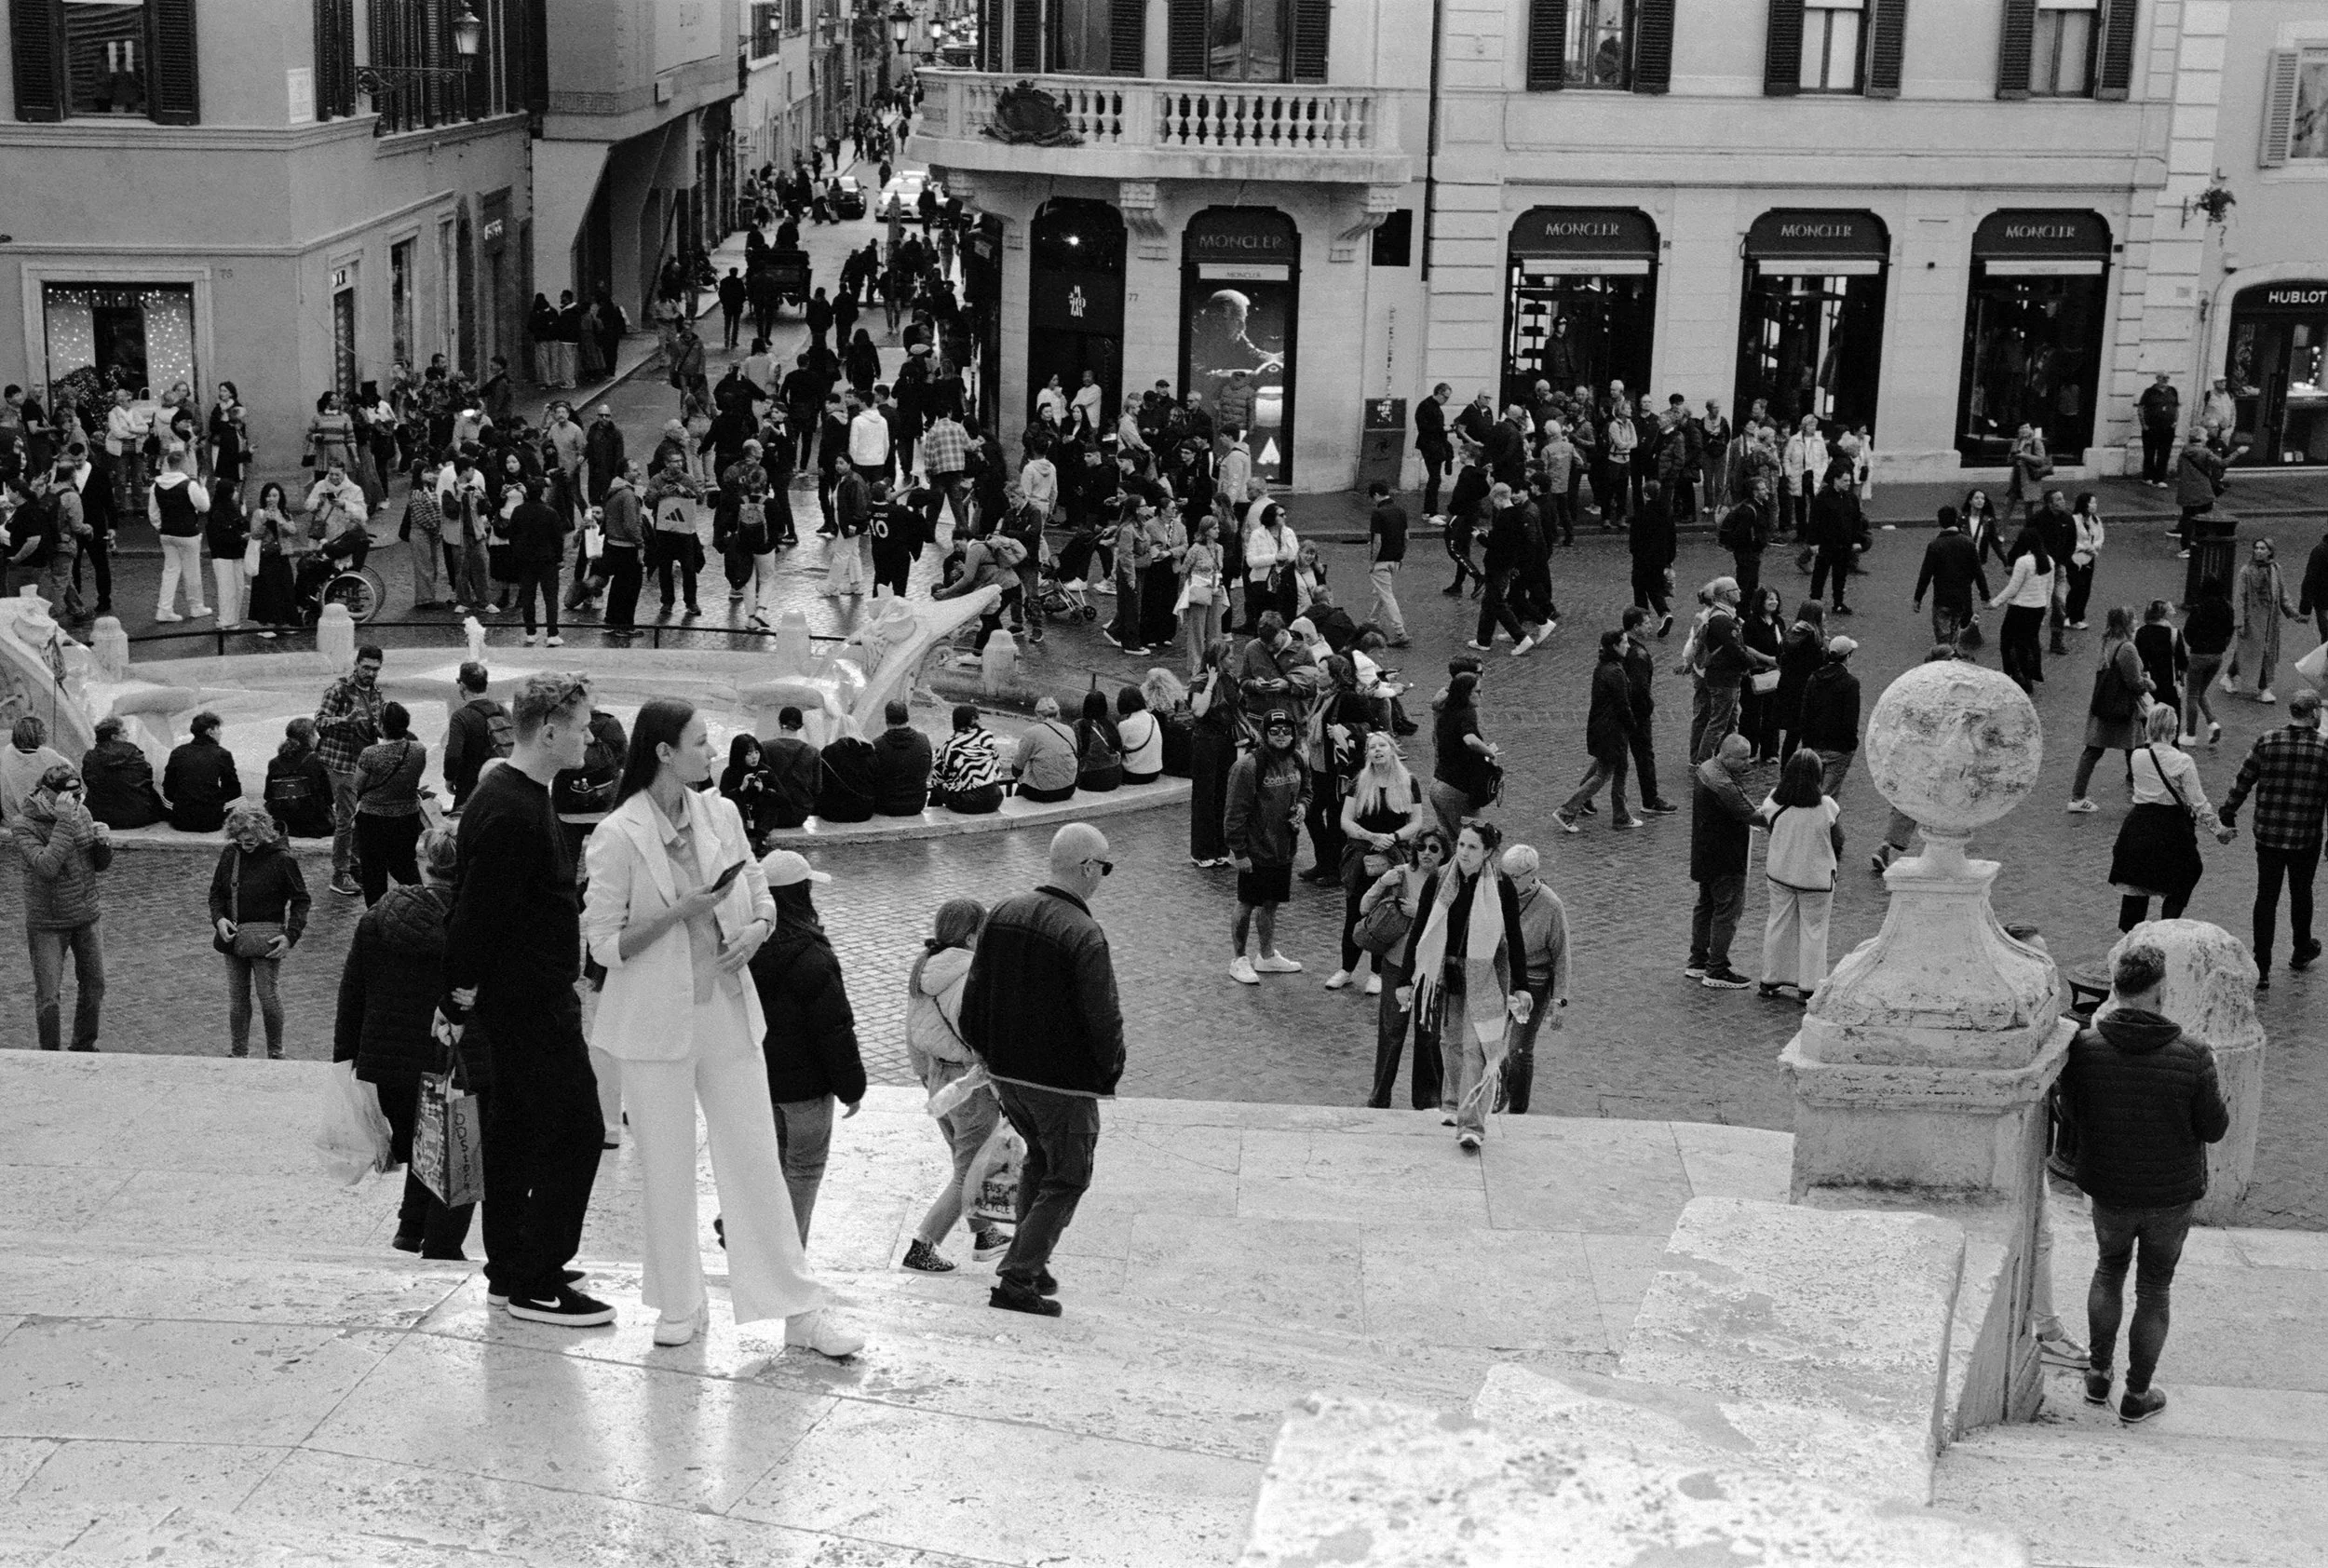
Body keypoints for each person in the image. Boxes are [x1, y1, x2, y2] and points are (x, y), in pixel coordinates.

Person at [581, 700, 859, 1356]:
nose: (713, 753)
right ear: (664, 752)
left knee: (757, 1161)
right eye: (701, 743)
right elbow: (601, 946)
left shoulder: (722, 812)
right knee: (668, 1168)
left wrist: (757, 933)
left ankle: (797, 1309)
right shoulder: (617, 835)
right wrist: (681, 912)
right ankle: (679, 1302)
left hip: (728, 1010)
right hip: (653, 1024)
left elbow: (760, 894)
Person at [447, 673, 615, 1328]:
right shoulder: (515, 810)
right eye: (581, 724)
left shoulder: (512, 794)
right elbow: (474, 918)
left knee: (517, 1132)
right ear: (549, 731)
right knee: (578, 1132)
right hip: (528, 1003)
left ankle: (511, 1267)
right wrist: (456, 996)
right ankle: (538, 1279)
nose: (590, 734)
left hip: (521, 998)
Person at [2057, 940, 2230, 1425]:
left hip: (2109, 1185)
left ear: (2115, 986)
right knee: (2154, 1288)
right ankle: (2136, 1394)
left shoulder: (2085, 1048)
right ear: (2160, 991)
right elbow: (2214, 1129)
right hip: (2169, 1194)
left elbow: (2072, 1111)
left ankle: (2097, 1375)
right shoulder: (2193, 1055)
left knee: (2108, 1270)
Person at [958, 823, 1128, 1318]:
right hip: (1062, 1082)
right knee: (1069, 1175)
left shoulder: (1004, 912)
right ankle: (1018, 1278)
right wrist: (1108, 1070)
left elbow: (975, 996)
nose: (1103, 877)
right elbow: (1103, 1015)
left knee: (1039, 1161)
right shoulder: (1083, 932)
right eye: (1105, 867)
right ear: (1088, 868)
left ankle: (1031, 1254)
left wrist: (986, 1053)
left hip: (1008, 1075)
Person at [334, 826, 477, 1251]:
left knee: (418, 1140)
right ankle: (436, 1241)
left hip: (388, 1060)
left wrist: (346, 1056)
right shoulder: (475, 921)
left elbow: (353, 989)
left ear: (422, 864)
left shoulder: (380, 916)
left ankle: (409, 1227)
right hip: (452, 1056)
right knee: (451, 1145)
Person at [751, 848, 869, 1246]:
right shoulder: (813, 955)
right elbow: (835, 1029)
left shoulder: (746, 948)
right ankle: (789, 1254)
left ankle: (765, 1242)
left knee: (776, 1165)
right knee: (804, 1170)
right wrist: (852, 1088)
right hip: (807, 1091)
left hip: (763, 1084)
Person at [901, 899, 1012, 1272]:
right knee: (970, 1172)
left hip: (937, 1080)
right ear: (970, 936)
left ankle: (984, 1234)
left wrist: (927, 1081)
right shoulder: (969, 978)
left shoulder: (924, 973)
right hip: (969, 1087)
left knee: (965, 1161)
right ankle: (922, 1246)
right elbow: (982, 1038)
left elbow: (913, 1035)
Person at [1407, 818, 1527, 1152]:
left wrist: (1522, 986)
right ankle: (1452, 1103)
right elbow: (1421, 929)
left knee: (1477, 1048)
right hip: (1448, 975)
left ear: (1488, 852)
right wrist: (1406, 978)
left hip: (1485, 977)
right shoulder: (1439, 879)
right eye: (1460, 844)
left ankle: (1471, 1125)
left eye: (1472, 847)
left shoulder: (1501, 888)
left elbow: (1514, 939)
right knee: (1451, 1043)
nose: (1463, 852)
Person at [2217, 687, 2328, 990]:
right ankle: (2301, 948)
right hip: (2306, 835)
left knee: (2266, 897)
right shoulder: (2323, 749)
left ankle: (2262, 966)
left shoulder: (2267, 741)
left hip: (2268, 834)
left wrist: (2228, 811)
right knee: (2301, 893)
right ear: (2315, 713)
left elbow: (2244, 779)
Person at [14, 762, 109, 1051]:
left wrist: (103, 844)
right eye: (69, 797)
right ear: (46, 793)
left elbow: (99, 865)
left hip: (86, 914)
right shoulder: (24, 825)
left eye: (79, 795)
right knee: (48, 996)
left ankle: (83, 1045)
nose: (77, 802)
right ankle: (50, 1057)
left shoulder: (81, 811)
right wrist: (65, 821)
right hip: (48, 922)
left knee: (95, 985)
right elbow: (46, 866)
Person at [2108, 705, 2226, 930]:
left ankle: (2131, 934)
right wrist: (2218, 829)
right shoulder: (2183, 762)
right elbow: (2198, 803)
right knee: (2188, 872)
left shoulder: (2137, 756)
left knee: (2136, 882)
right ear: (2173, 730)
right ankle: (2167, 925)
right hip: (2172, 828)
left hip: (2138, 824)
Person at [1331, 730, 1426, 994]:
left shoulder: (1409, 782)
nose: (1378, 750)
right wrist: (1371, 836)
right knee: (1355, 912)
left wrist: (1392, 837)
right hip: (1362, 857)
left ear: (1392, 749)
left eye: (1382, 745)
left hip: (1394, 857)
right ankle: (1346, 969)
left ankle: (1376, 973)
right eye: (1372, 747)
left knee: (1386, 913)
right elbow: (1346, 821)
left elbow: (1416, 823)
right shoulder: (1359, 782)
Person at [1360, 827, 1447, 1110]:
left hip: (1432, 969)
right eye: (1421, 847)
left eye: (1434, 848)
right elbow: (1364, 907)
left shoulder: (1450, 880)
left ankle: (1427, 1100)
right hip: (1397, 966)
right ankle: (1380, 1095)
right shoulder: (1400, 874)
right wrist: (1382, 883)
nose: (1426, 853)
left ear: (1444, 852)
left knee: (1429, 1036)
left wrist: (1420, 911)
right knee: (1391, 1032)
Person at [1225, 709, 1310, 984]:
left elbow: (1307, 790)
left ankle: (1266, 954)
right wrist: (1239, 852)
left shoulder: (1297, 760)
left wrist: (1302, 807)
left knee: (1271, 903)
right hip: (1255, 849)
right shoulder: (1249, 766)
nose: (1282, 736)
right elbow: (1234, 812)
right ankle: (1239, 958)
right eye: (1275, 731)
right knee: (1247, 903)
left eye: (1287, 730)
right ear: (1265, 734)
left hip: (1284, 847)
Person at [1756, 750, 1844, 1002]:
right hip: (1815, 878)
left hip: (1780, 872)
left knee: (1778, 922)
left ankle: (1770, 979)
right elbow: (1838, 839)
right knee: (1814, 930)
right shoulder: (1826, 806)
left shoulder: (1774, 799)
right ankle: (1809, 986)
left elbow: (1769, 824)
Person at [1496, 844, 1569, 1115]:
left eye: (1514, 877)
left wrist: (1558, 999)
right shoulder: (1497, 892)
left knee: (1519, 1050)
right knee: (1487, 1041)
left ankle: (1517, 1110)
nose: (1508, 882)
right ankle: (1491, 1098)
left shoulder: (1550, 904)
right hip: (1502, 976)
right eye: (1504, 875)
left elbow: (1562, 953)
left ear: (1532, 873)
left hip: (1535, 981)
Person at [1689, 734, 1761, 991]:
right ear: (1726, 756)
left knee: (1706, 905)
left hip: (1704, 852)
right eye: (1742, 759)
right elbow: (1751, 814)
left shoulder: (1706, 769)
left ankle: (1698, 959)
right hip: (1726, 857)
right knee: (1727, 911)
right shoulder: (1724, 785)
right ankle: (1717, 969)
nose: (1747, 764)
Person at [2066, 608, 2154, 813]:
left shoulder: (2107, 642)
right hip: (2122, 708)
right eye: (2133, 619)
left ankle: (2078, 796)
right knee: (2136, 748)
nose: (2136, 622)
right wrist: (2149, 684)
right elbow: (2134, 682)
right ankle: (2143, 793)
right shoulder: (2127, 648)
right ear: (2125, 623)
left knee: (2094, 750)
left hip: (2104, 704)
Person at [316, 645, 386, 897]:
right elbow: (320, 722)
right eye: (366, 667)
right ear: (356, 664)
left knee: (361, 816)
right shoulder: (338, 690)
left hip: (364, 763)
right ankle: (339, 873)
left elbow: (377, 725)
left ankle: (353, 862)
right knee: (345, 819)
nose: (370, 673)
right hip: (341, 762)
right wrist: (344, 721)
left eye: (375, 669)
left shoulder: (377, 693)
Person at [1554, 633, 1641, 832]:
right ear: (1615, 647)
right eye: (1624, 643)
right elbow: (1622, 705)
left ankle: (1621, 815)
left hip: (1604, 728)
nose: (1628, 646)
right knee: (1604, 773)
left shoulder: (1604, 667)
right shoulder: (1615, 672)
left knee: (1618, 768)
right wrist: (1632, 726)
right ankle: (1567, 810)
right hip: (1612, 731)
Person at [352, 701, 427, 906]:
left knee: (373, 870)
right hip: (407, 816)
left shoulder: (370, 753)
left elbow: (357, 785)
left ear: (382, 726)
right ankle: (421, 904)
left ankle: (376, 914)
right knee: (406, 865)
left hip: (373, 818)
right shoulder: (418, 749)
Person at [1429, 664, 1500, 845]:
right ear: (1465, 693)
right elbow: (1469, 739)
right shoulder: (1467, 712)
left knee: (1454, 844)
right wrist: (1489, 752)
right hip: (1455, 790)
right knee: (1476, 842)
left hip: (1438, 785)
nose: (1481, 696)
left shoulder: (1446, 712)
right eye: (1477, 692)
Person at [2226, 538, 2301, 703]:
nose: (2258, 551)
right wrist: (2239, 622)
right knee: (2255, 653)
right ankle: (2264, 689)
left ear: (2270, 552)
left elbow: (2282, 594)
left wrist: (2295, 614)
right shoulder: (2246, 571)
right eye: (2256, 548)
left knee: (2260, 653)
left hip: (2270, 620)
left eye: (2262, 548)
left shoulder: (2275, 569)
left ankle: (2231, 676)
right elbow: (2239, 598)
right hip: (2252, 620)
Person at [147, 443, 211, 622]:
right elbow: (204, 506)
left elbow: (153, 513)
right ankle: (196, 606)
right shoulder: (189, 485)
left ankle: (164, 609)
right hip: (188, 533)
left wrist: (160, 526)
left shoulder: (156, 486)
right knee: (192, 571)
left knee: (170, 570)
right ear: (183, 465)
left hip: (167, 533)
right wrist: (203, 488)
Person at [1913, 505, 1992, 650]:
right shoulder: (1968, 543)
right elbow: (1978, 572)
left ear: (1940, 522)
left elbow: (1925, 575)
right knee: (1955, 635)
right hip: (1962, 598)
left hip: (1942, 598)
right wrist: (1985, 595)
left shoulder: (1935, 545)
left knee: (1942, 639)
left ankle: (1944, 659)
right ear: (1956, 520)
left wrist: (1918, 598)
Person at [1797, 635, 1861, 801]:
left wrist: (1807, 743)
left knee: (1814, 790)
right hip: (1839, 748)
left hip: (1815, 744)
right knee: (1829, 797)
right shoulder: (1850, 683)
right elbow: (1850, 720)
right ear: (1847, 656)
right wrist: (1850, 745)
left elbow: (1805, 713)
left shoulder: (1814, 678)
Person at [442, 662, 514, 811]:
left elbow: (453, 753)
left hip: (470, 786)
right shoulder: (503, 711)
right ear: (485, 685)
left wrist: (449, 778)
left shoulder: (461, 716)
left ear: (462, 685)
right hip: (500, 783)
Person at [1996, 526, 2055, 694]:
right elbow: (2049, 588)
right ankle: (2031, 674)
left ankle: (2015, 674)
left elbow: (2013, 588)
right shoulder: (2049, 561)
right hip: (2038, 608)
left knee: (2008, 641)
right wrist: (2045, 609)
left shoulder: (2023, 562)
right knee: (2031, 641)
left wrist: (1996, 602)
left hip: (2019, 608)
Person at [162, 711, 241, 834]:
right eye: (218, 729)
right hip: (212, 822)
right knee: (241, 800)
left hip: (180, 820)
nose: (220, 732)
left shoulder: (178, 752)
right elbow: (234, 790)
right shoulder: (222, 754)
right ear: (210, 732)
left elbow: (168, 787)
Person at [78, 716, 164, 830]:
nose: (127, 734)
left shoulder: (90, 756)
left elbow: (89, 782)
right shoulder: (132, 751)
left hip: (99, 816)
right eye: (123, 731)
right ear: (114, 737)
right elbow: (147, 777)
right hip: (138, 816)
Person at [261, 718, 334, 839]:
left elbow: (268, 796)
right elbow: (329, 798)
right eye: (315, 734)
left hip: (284, 824)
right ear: (310, 737)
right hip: (316, 825)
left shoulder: (274, 763)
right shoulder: (317, 760)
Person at [932, 704, 1008, 816]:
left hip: (969, 803)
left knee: (937, 788)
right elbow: (996, 765)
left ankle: (934, 816)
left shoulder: (950, 745)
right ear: (973, 720)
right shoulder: (987, 737)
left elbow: (939, 777)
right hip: (995, 798)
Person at [1807, 466, 1861, 615]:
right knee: (1820, 574)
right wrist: (1813, 542)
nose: (1848, 483)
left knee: (1840, 575)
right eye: (1845, 480)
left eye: (1849, 480)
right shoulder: (1823, 497)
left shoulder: (1851, 498)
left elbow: (1856, 521)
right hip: (1826, 543)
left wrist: (1856, 540)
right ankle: (1815, 603)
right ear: (1836, 480)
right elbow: (1814, 521)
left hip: (1843, 544)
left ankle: (1838, 603)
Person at [2181, 588, 2232, 748]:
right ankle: (2212, 723)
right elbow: (2230, 631)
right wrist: (2222, 646)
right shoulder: (2227, 609)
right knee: (2201, 691)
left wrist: (2194, 645)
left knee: (2192, 695)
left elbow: (2188, 632)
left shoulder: (2199, 609)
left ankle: (2190, 734)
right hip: (2217, 656)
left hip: (2199, 655)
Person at [870, 698, 934, 816]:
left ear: (886, 719)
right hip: (917, 804)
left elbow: (872, 778)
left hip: (885, 805)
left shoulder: (877, 745)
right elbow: (928, 769)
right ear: (907, 717)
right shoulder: (923, 740)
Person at [1012, 696, 1079, 804]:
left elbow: (1017, 765)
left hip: (1042, 793)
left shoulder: (1031, 733)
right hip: (1068, 789)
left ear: (1038, 715)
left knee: (1026, 768)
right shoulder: (1069, 730)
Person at [1366, 480, 1409, 646]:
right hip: (1395, 560)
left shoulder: (1378, 513)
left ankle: (1400, 632)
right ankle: (1372, 621)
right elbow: (1406, 538)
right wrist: (1400, 557)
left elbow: (1377, 541)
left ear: (1376, 494)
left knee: (1387, 595)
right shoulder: (1401, 511)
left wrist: (1372, 562)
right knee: (1382, 593)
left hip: (1382, 561)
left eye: (1373, 498)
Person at [2136, 372, 2180, 487]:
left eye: (2167, 378)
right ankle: (2148, 477)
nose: (2165, 380)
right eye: (2162, 377)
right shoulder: (2149, 392)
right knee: (2149, 452)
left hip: (2168, 427)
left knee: (2164, 453)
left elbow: (2176, 408)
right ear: (2157, 378)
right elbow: (2140, 408)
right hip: (2151, 426)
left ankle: (2160, 479)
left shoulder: (2172, 391)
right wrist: (2143, 424)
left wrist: (2175, 422)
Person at [1117, 683, 1165, 786]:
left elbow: (1117, 749)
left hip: (1135, 774)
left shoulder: (1125, 725)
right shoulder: (1152, 718)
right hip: (1155, 771)